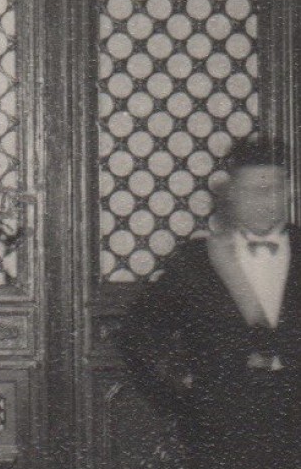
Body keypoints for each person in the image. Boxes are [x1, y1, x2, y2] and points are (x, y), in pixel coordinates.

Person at [117, 136, 301, 468]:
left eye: (272, 189)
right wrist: (181, 397)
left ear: (290, 191)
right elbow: (137, 333)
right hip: (218, 430)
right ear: (232, 194)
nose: (263, 201)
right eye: (251, 190)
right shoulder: (196, 261)